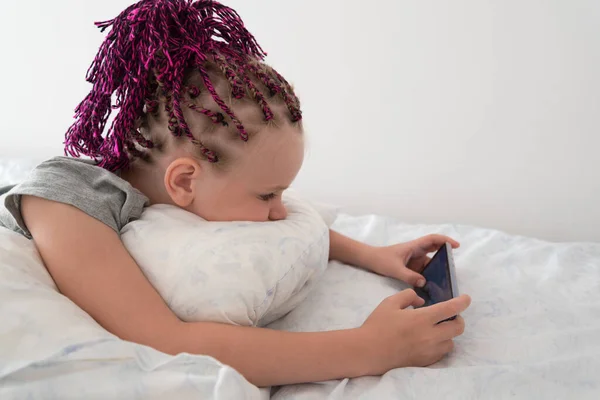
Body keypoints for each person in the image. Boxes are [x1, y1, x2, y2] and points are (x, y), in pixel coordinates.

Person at [0, 0, 471, 387]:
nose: (279, 211)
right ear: (184, 181)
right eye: (268, 195)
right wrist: (369, 348)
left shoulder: (157, 192)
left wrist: (369, 254)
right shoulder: (65, 201)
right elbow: (161, 337)